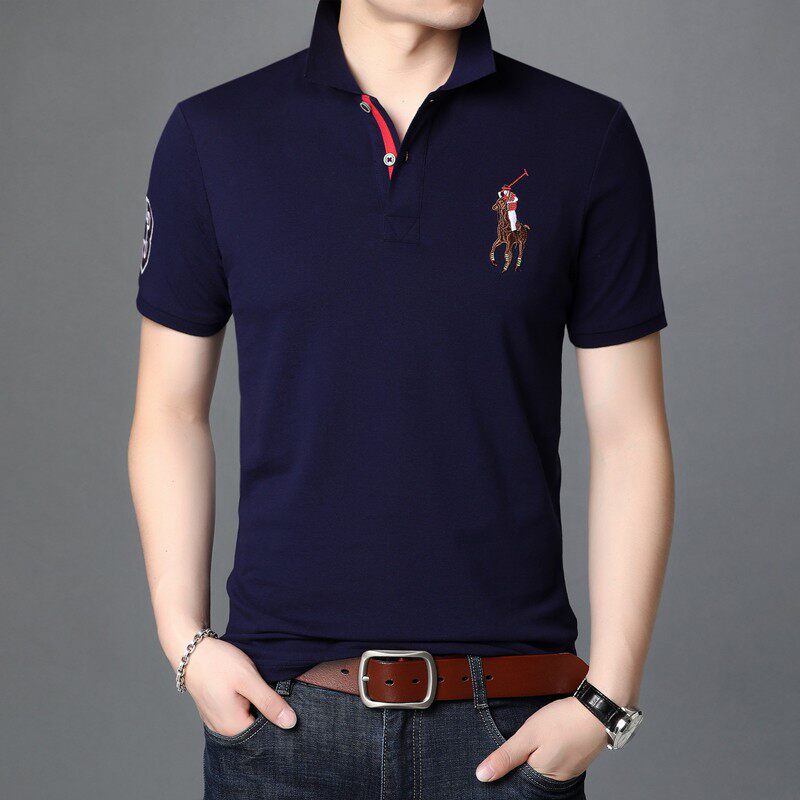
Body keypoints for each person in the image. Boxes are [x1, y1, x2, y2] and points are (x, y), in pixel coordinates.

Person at [128, 2, 674, 798]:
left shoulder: (584, 138)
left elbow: (629, 433)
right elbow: (169, 412)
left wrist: (609, 697)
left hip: (511, 727)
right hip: (281, 728)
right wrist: (185, 642)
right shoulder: (214, 138)